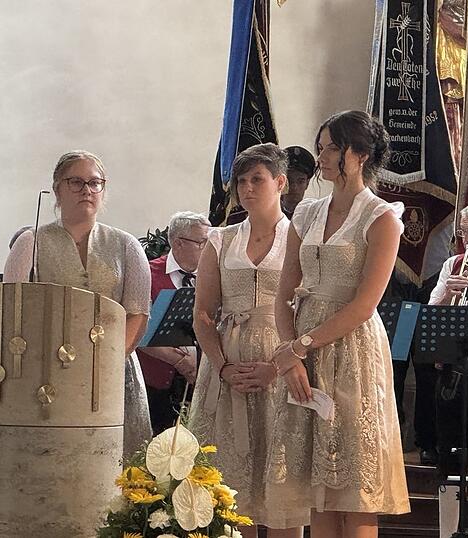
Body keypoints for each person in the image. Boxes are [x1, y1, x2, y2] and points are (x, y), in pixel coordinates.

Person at [268, 110, 410, 537]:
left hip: (353, 351)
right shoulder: (306, 213)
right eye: (321, 147)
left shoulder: (382, 217)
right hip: (303, 350)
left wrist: (299, 346)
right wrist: (290, 354)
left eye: (332, 147)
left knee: (355, 486)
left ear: (361, 154)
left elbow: (365, 305)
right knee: (318, 488)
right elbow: (283, 291)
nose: (322, 156)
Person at [188, 143, 307, 537]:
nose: (247, 188)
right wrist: (221, 366)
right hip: (228, 366)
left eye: (257, 179)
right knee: (227, 485)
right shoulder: (220, 240)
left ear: (280, 182)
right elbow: (203, 314)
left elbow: (307, 312)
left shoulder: (302, 239)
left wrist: (278, 366)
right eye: (241, 181)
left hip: (281, 360)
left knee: (281, 482)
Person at [4, 150, 151, 456]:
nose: (87, 190)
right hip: (49, 372)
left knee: (118, 462)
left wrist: (108, 361)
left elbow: (137, 313)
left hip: (114, 370)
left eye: (95, 183)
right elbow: (12, 308)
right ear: (57, 188)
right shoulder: (30, 242)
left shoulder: (126, 245)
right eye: (76, 182)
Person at [137, 211, 208, 433]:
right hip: (156, 385)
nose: (208, 249)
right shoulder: (147, 273)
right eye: (202, 243)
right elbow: (137, 330)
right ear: (178, 243)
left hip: (199, 383)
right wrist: (179, 361)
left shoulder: (210, 277)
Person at [428, 202, 468, 475]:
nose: (467, 239)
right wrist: (448, 293)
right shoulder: (453, 264)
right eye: (463, 232)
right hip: (454, 370)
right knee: (450, 446)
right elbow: (433, 315)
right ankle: (449, 509)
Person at [283, 145, 317, 215]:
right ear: (280, 182)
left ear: (307, 183)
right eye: (289, 180)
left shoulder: (314, 215)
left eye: (301, 181)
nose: (294, 187)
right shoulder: (266, 213)